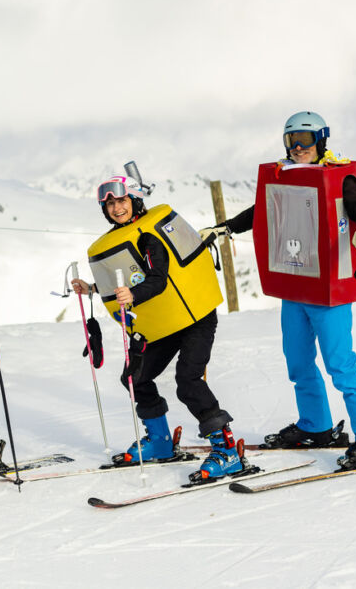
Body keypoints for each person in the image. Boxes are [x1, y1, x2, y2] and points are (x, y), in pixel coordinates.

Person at [213, 111, 356, 470]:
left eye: (305, 140)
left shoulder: (338, 177)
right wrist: (227, 228)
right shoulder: (288, 176)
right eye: (291, 141)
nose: (298, 148)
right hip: (296, 284)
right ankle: (316, 427)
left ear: (321, 141)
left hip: (328, 293)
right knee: (298, 361)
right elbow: (262, 209)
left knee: (340, 364)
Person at [71, 175, 246, 483]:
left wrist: (133, 296)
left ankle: (226, 450)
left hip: (194, 319)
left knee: (188, 380)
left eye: (121, 201)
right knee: (134, 377)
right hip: (163, 323)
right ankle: (160, 442)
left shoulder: (148, 236)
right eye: (110, 203)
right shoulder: (122, 238)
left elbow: (157, 278)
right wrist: (93, 288)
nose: (116, 208)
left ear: (134, 201)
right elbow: (128, 275)